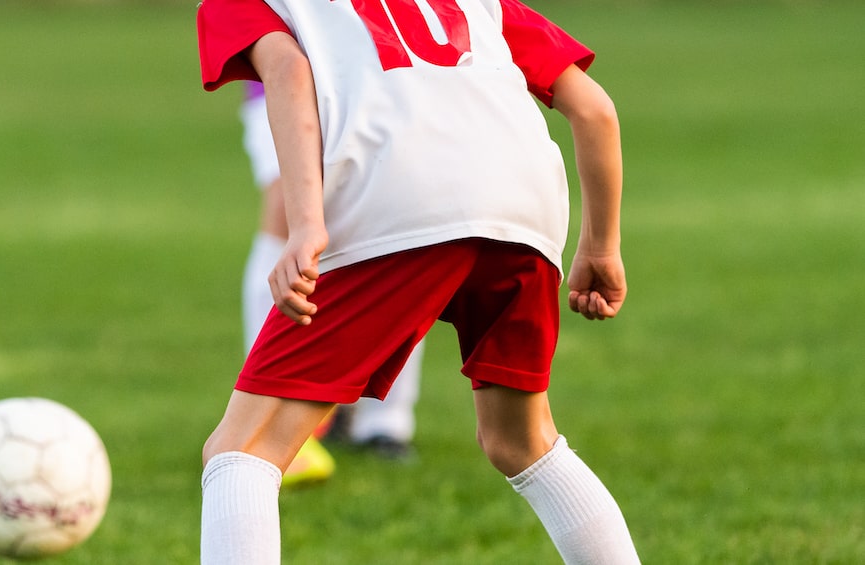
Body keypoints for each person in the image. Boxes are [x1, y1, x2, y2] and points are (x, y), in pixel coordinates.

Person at [196, 0, 638, 562]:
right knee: (524, 443)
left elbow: (288, 71)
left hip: (396, 193)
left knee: (242, 451)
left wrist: (306, 222)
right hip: (524, 203)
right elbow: (594, 109)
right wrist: (601, 246)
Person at [239, 82, 423, 490]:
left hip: (379, 76)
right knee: (287, 210)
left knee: (395, 217)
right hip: (285, 78)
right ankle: (269, 407)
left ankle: (383, 420)